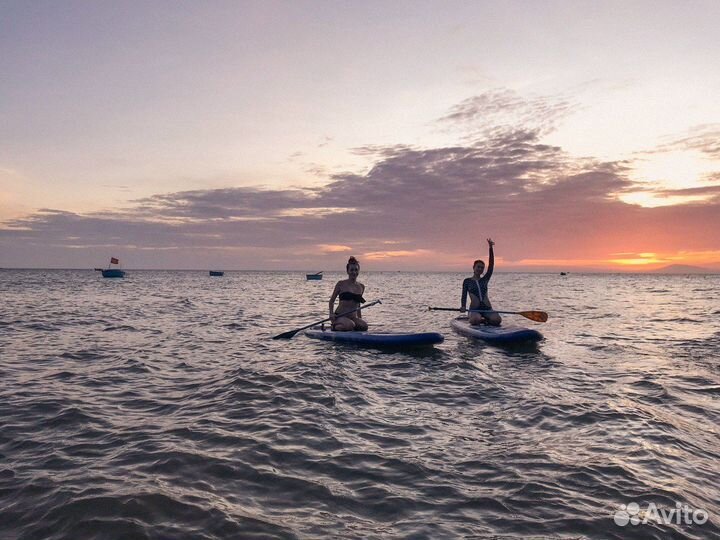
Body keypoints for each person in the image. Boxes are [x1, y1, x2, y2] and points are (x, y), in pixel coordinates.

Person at [461, 238, 501, 326]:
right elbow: (464, 295)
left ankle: (486, 319)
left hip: (487, 309)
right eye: (478, 267)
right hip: (474, 310)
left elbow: (491, 265)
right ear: (473, 267)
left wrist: (490, 248)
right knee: (476, 320)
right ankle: (478, 319)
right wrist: (463, 306)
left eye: (482, 267)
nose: (480, 269)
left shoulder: (485, 279)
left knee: (497, 320)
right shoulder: (467, 281)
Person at [329, 256, 368, 331]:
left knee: (364, 326)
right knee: (350, 325)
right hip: (340, 316)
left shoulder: (361, 287)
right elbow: (331, 301)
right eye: (352, 270)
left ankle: (349, 327)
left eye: (356, 270)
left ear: (358, 271)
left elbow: (358, 305)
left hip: (353, 317)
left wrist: (360, 319)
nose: (354, 272)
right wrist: (331, 314)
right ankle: (334, 326)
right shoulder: (340, 284)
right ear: (347, 271)